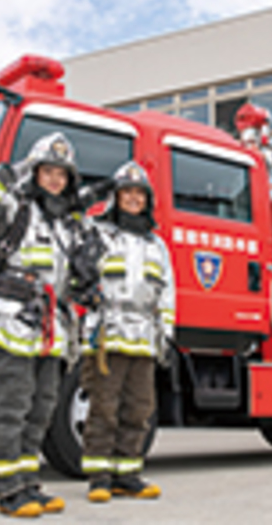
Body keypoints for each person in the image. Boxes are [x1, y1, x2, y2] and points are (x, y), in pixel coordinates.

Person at [0, 132, 83, 518]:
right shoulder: (15, 209)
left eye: (61, 174)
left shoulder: (66, 226)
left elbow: (70, 281)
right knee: (11, 407)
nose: (54, 179)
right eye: (47, 171)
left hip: (50, 330)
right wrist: (14, 170)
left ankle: (29, 482)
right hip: (10, 323)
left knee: (42, 409)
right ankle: (6, 488)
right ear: (35, 173)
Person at [80, 161, 176, 503]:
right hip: (106, 333)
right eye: (126, 193)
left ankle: (128, 474)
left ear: (147, 200)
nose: (133, 199)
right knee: (104, 407)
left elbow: (167, 294)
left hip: (144, 338)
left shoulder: (157, 246)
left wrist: (166, 333)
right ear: (115, 198)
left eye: (139, 194)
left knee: (139, 409)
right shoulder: (97, 232)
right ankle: (99, 479)